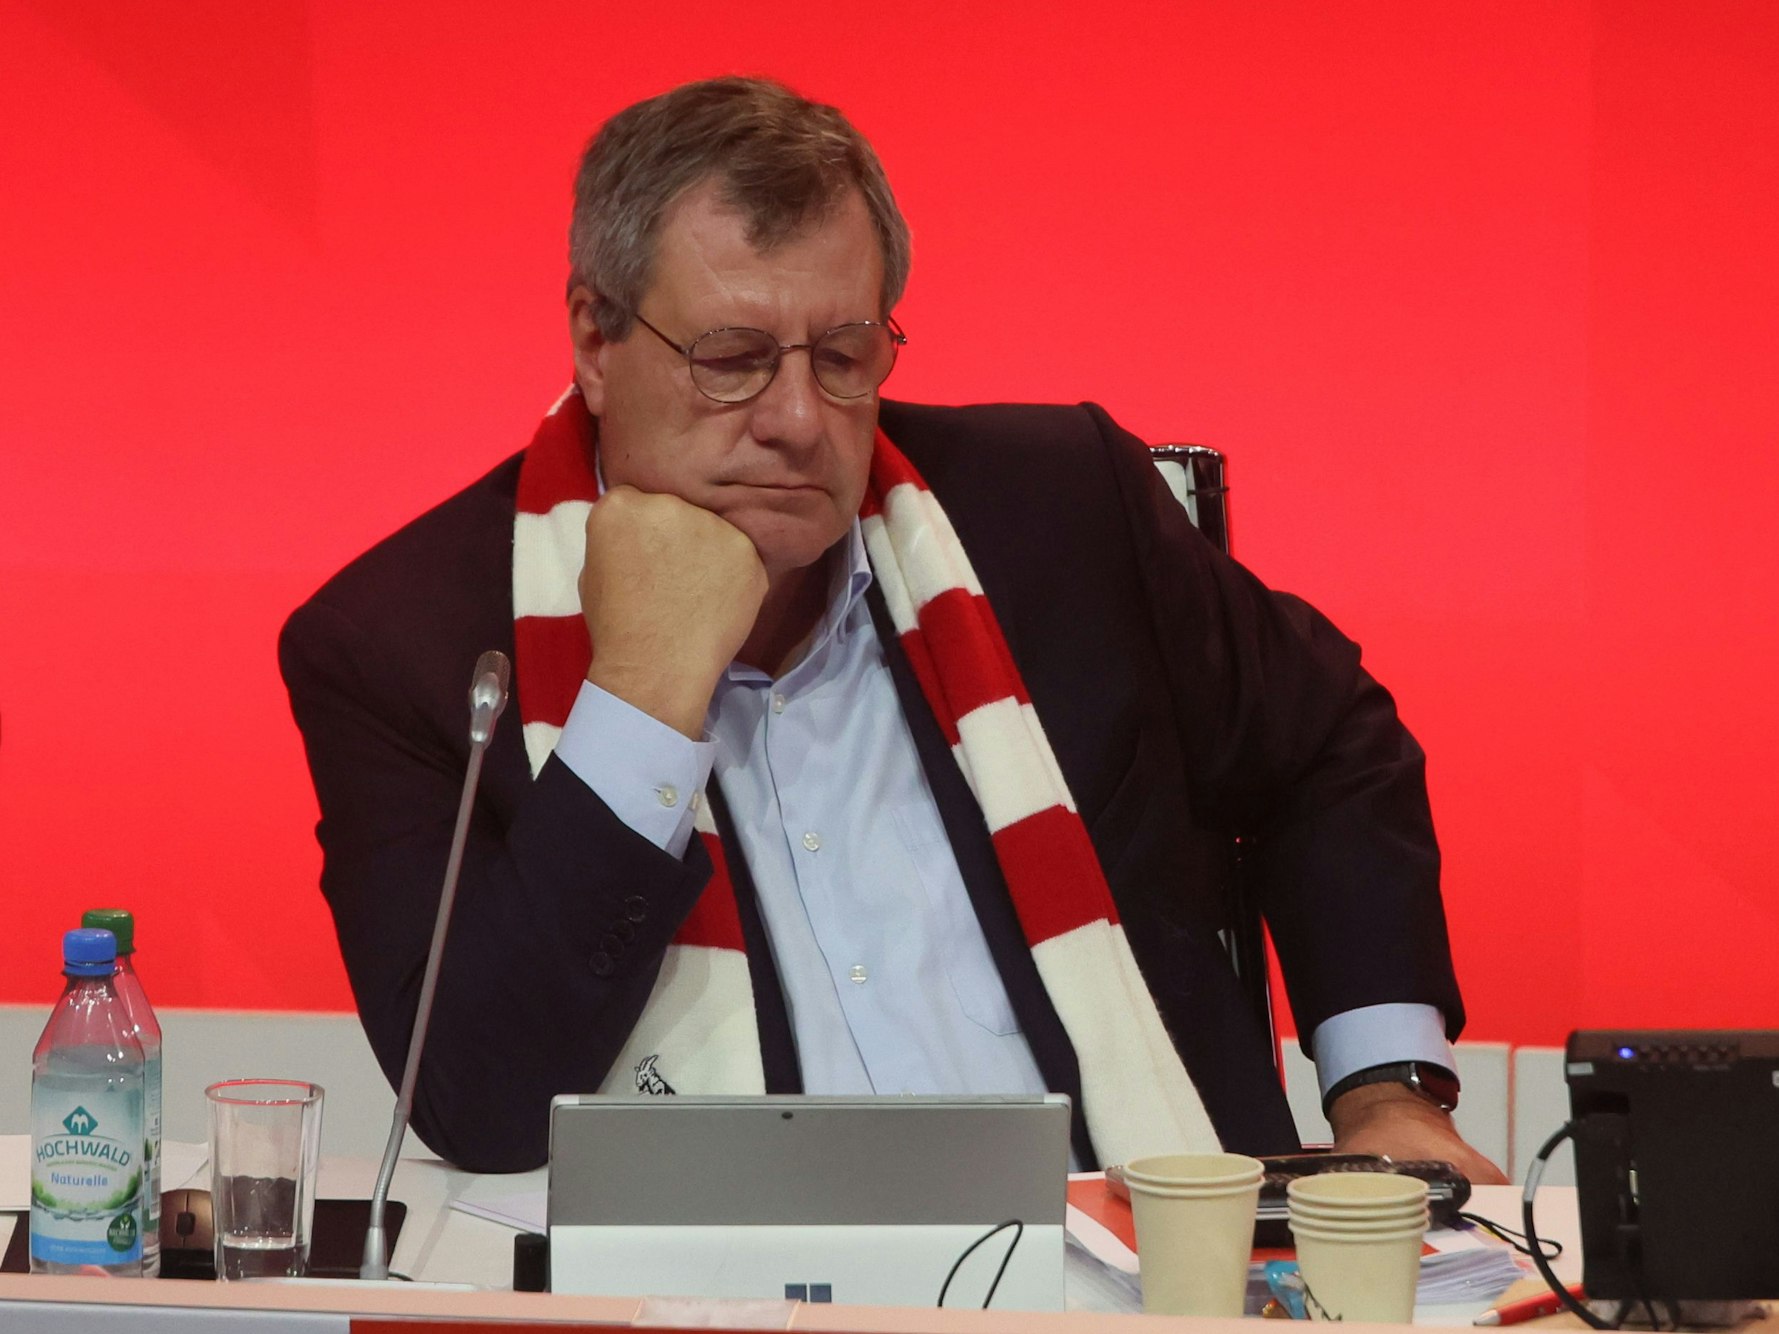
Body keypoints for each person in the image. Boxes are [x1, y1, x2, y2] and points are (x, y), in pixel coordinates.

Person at [280, 76, 1505, 1183]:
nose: (801, 420)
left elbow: (1329, 739)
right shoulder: (401, 644)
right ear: (595, 339)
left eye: (845, 352)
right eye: (733, 358)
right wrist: (642, 698)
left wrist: (1388, 1089)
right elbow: (479, 1105)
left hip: (1135, 1270)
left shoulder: (1059, 507)